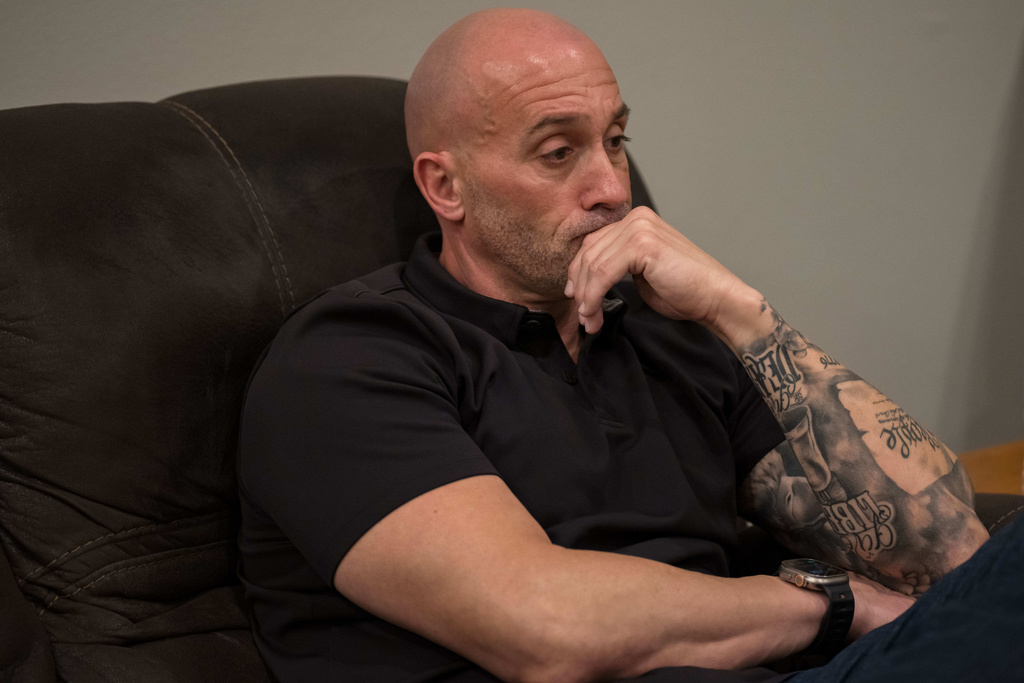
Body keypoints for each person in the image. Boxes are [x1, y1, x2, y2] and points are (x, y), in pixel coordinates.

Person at [237, 8, 1021, 683]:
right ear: (447, 187)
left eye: (615, 140)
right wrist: (831, 605)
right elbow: (543, 626)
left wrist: (739, 312)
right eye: (558, 152)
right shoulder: (353, 357)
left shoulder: (665, 333)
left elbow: (952, 554)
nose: (614, 186)